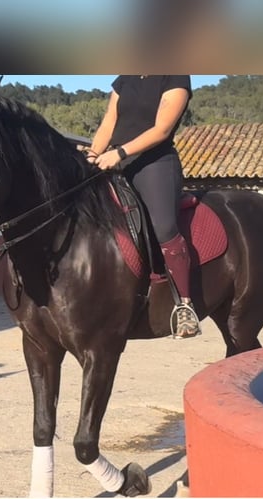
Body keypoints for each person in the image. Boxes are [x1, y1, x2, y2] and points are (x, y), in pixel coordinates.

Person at [86, 75, 199, 339]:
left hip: (154, 162)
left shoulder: (175, 75)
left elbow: (161, 129)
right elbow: (108, 123)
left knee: (163, 226)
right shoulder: (125, 78)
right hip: (115, 161)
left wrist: (120, 153)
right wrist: (92, 155)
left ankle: (184, 304)